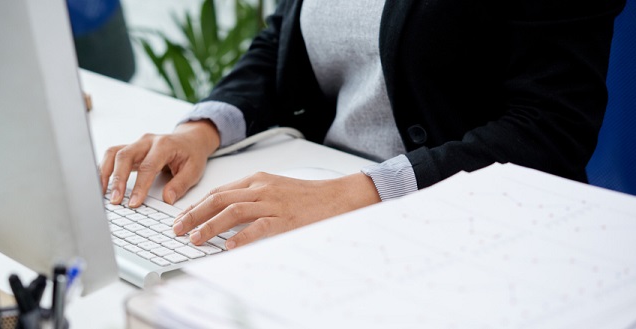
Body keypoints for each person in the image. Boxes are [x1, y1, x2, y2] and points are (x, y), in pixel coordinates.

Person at [100, 0, 626, 250]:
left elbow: (551, 129)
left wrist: (359, 192)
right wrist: (200, 131)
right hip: (325, 204)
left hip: (470, 232)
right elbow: (281, 42)